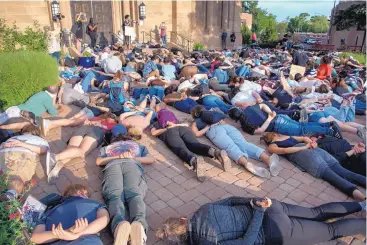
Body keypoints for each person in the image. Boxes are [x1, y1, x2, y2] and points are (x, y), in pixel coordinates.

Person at [156, 196, 366, 245]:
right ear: (183, 220)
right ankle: (362, 205)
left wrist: (258, 212)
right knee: (316, 211)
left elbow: (247, 242)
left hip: (274, 230)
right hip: (268, 205)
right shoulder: (203, 209)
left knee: (330, 232)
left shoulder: (207, 242)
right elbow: (231, 200)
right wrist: (254, 202)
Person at [261, 132, 366, 201]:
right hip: (309, 151)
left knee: (333, 177)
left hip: (305, 154)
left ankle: (362, 198)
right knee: (344, 172)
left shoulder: (273, 145)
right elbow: (300, 140)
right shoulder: (282, 139)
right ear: (274, 135)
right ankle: (361, 195)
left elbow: (286, 150)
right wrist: (310, 143)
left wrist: (310, 143)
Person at [96, 124, 155, 245]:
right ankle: (139, 226)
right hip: (132, 164)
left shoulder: (108, 147)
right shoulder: (138, 146)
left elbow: (98, 161)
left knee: (114, 196)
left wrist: (116, 157)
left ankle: (119, 226)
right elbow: (151, 159)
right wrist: (133, 157)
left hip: (112, 165)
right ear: (129, 137)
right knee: (134, 195)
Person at [191, 106, 280, 178]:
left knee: (230, 147)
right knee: (244, 143)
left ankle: (246, 163)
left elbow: (197, 134)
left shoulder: (196, 122)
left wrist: (208, 126)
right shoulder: (213, 112)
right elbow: (223, 120)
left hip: (214, 131)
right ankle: (267, 159)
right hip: (227, 127)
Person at [150, 103, 229, 182]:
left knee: (180, 148)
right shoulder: (172, 116)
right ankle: (215, 152)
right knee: (194, 144)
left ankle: (194, 161)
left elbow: (153, 133)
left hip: (169, 132)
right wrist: (175, 125)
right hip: (182, 128)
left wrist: (167, 128)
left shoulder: (155, 122)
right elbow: (184, 124)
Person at [31, 184, 110, 245]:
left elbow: (35, 237)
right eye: (86, 194)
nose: (87, 197)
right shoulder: (94, 204)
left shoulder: (49, 212)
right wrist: (74, 233)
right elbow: (104, 219)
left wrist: (64, 233)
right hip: (87, 241)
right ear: (79, 192)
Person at [0, 125, 48, 201]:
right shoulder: (39, 139)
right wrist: (22, 144)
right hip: (22, 154)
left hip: (4, 153)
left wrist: (3, 145)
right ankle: (11, 194)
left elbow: (3, 145)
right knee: (17, 177)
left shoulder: (13, 137)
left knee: (5, 176)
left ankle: (9, 194)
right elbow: (43, 149)